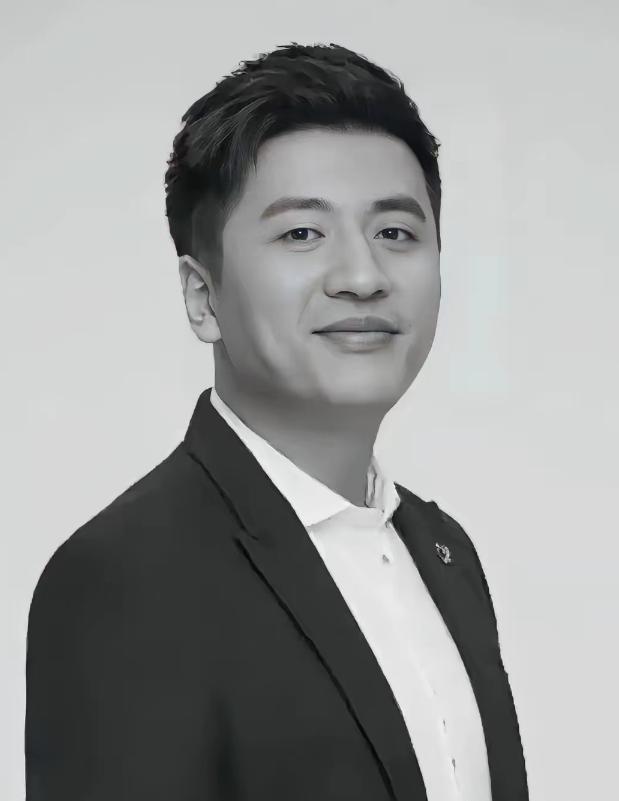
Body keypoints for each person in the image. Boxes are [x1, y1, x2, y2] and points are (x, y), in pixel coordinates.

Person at [24, 43, 528, 801]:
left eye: (395, 232)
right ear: (203, 297)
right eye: (301, 234)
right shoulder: (125, 579)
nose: (362, 276)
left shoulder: (444, 551)